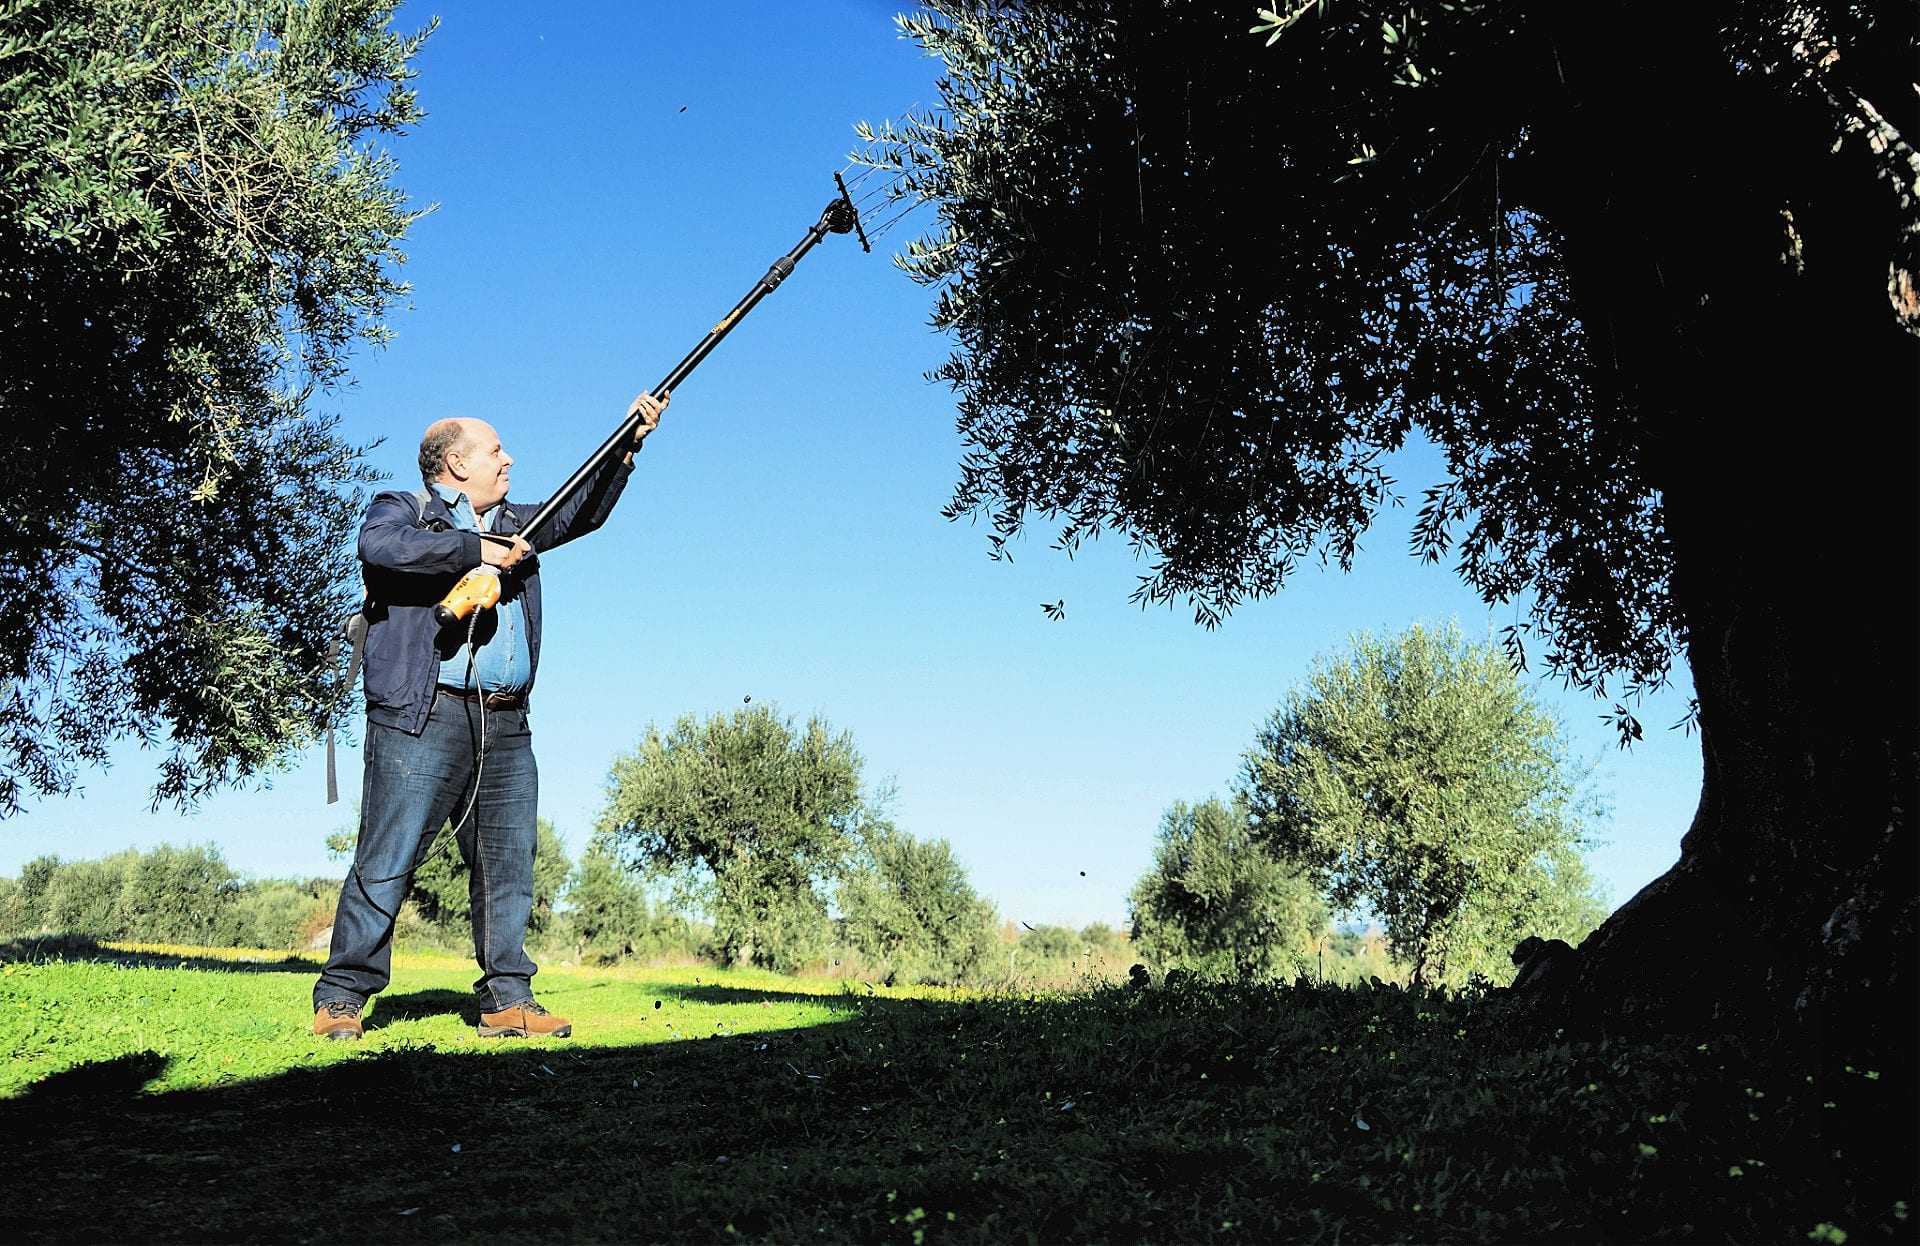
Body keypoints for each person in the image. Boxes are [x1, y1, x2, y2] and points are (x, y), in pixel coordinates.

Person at [311, 392, 667, 1041]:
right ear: (455, 462)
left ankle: (508, 1000)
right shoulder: (406, 510)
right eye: (496, 451)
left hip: (507, 723)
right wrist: (475, 550)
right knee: (387, 856)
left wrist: (628, 446)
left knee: (508, 863)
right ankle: (342, 996)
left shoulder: (517, 523)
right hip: (420, 715)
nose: (509, 459)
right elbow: (381, 549)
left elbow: (580, 513)